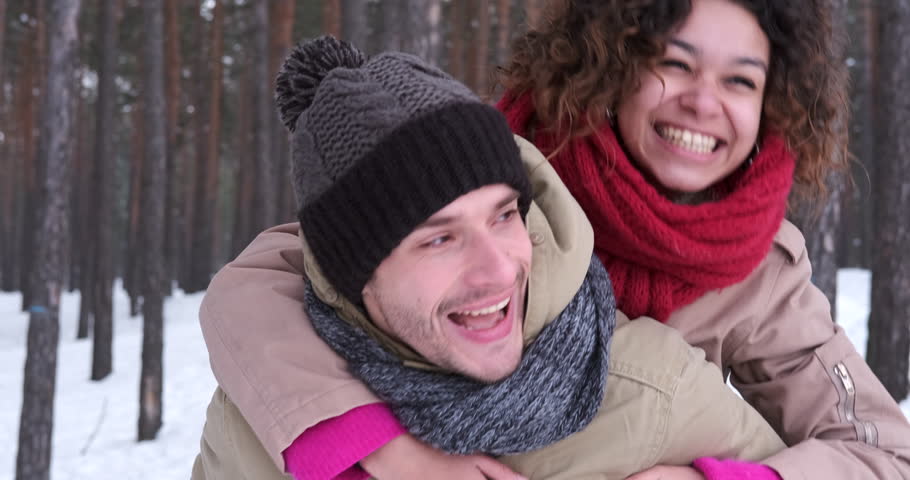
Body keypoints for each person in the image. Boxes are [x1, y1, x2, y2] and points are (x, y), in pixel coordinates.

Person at [196, 0, 910, 479]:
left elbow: (883, 453)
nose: (704, 101)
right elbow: (265, 286)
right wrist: (385, 449)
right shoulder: (503, 177)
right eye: (674, 63)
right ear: (611, 64)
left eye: (741, 81)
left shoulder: (759, 271)